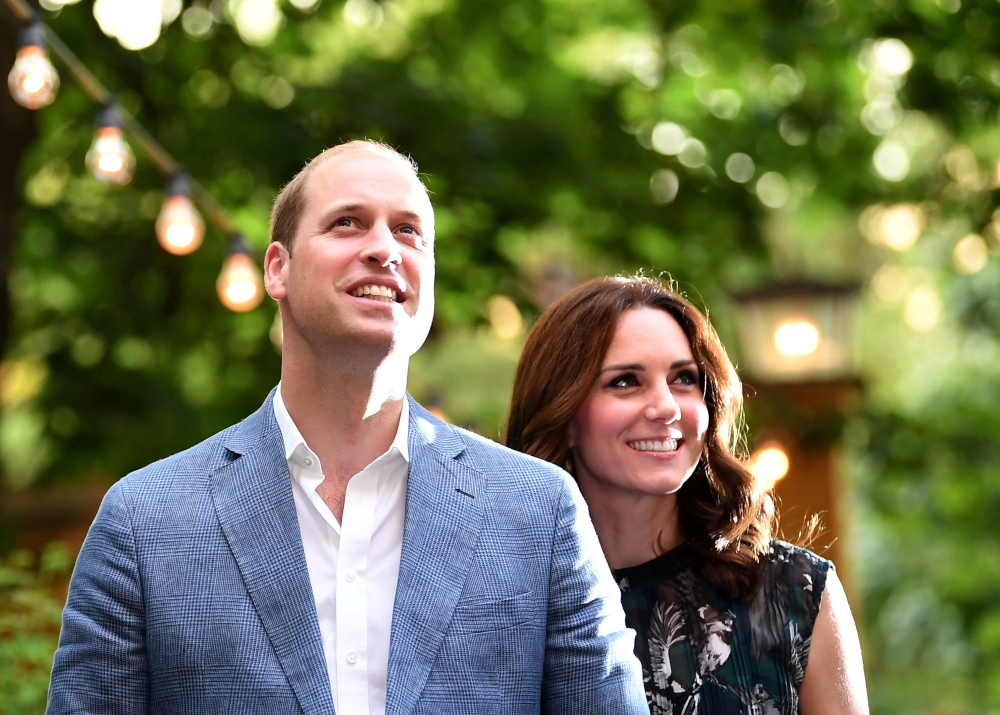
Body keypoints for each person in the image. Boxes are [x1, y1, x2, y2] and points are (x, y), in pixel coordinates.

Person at [46, 141, 647, 715]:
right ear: (277, 270)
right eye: (348, 223)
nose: (385, 248)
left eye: (409, 230)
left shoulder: (539, 511)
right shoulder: (144, 520)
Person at [506, 276, 869, 715]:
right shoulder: (501, 600)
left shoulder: (796, 592)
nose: (666, 407)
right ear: (563, 414)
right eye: (625, 382)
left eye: (683, 379)